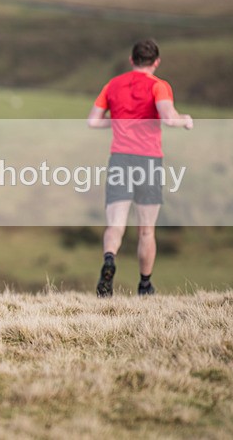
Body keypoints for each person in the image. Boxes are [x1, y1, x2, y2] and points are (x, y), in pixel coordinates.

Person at [87, 39, 192, 297]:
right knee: (146, 230)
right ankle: (145, 285)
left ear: (132, 60)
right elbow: (168, 118)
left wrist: (120, 123)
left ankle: (110, 258)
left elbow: (92, 122)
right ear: (156, 62)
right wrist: (185, 120)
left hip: (120, 159)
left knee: (115, 225)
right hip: (148, 161)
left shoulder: (113, 85)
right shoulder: (159, 86)